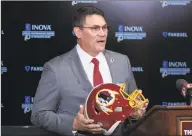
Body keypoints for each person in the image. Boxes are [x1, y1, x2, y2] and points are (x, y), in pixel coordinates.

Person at [31, 6, 149, 136]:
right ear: (78, 32)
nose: (102, 33)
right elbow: (39, 115)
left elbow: (131, 111)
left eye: (104, 28)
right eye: (95, 28)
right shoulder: (56, 68)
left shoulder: (122, 61)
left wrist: (135, 114)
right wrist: (74, 124)